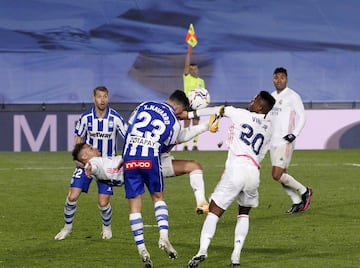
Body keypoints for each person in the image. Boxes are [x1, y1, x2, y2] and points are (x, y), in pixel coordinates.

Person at [122, 90, 218, 268]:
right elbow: (168, 145)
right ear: (180, 107)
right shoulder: (174, 122)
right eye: (184, 111)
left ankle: (142, 248)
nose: (184, 115)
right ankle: (164, 236)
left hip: (129, 157)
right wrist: (204, 127)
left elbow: (127, 130)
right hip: (151, 159)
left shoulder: (143, 105)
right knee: (158, 198)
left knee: (135, 205)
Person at [186, 91, 276, 267]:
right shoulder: (269, 128)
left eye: (255, 99)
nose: (251, 100)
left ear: (260, 107)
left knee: (213, 212)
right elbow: (261, 155)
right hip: (253, 173)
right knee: (243, 214)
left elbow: (216, 110)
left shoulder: (240, 114)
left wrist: (189, 114)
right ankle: (236, 255)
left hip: (237, 169)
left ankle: (202, 251)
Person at [54, 86, 127, 240]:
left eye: (105, 96)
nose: (102, 100)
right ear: (94, 98)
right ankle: (67, 228)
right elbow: (79, 138)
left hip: (107, 167)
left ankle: (106, 228)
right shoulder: (86, 117)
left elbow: (128, 138)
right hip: (86, 164)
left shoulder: (116, 118)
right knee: (72, 196)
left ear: (108, 98)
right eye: (99, 97)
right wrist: (77, 159)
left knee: (103, 202)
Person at [269, 67, 313, 214]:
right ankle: (296, 201)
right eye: (276, 77)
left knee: (276, 174)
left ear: (286, 79)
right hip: (272, 141)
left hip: (285, 141)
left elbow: (303, 116)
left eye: (282, 77)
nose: (279, 80)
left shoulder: (292, 96)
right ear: (273, 79)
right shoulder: (271, 96)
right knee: (282, 175)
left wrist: (294, 134)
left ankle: (305, 190)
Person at [183, 44, 206, 151]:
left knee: (196, 124)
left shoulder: (201, 81)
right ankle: (185, 145)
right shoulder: (187, 77)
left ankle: (195, 145)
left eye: (195, 69)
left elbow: (204, 94)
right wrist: (189, 52)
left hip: (197, 105)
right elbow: (186, 66)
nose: (193, 71)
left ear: (197, 70)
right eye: (191, 69)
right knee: (187, 123)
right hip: (188, 103)